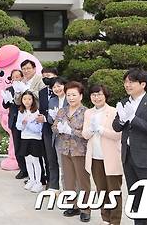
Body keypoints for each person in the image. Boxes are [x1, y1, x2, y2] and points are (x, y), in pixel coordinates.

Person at [112, 68, 147, 225]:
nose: (127, 85)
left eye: (131, 82)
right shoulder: (124, 102)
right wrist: (122, 119)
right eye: (126, 82)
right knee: (136, 200)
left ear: (143, 84)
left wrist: (133, 117)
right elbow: (117, 127)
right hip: (128, 157)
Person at [82, 84, 122, 225]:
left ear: (105, 96)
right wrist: (92, 130)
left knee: (114, 191)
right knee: (101, 190)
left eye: (99, 94)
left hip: (110, 157)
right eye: (93, 95)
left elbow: (118, 135)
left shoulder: (114, 111)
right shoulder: (88, 113)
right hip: (95, 158)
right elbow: (84, 134)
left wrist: (101, 129)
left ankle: (115, 221)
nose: (96, 97)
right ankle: (105, 219)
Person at [52, 80, 91, 222]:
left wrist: (72, 131)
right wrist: (58, 128)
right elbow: (54, 126)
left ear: (81, 96)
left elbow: (87, 132)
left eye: (74, 95)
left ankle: (85, 208)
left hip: (80, 150)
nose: (71, 98)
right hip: (64, 149)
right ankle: (72, 205)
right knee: (68, 179)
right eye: (68, 95)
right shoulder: (62, 110)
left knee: (82, 180)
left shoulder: (86, 112)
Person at [41, 75, 67, 193]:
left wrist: (59, 117)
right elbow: (51, 120)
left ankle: (67, 187)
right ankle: (54, 186)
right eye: (54, 87)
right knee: (53, 160)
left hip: (68, 135)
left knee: (66, 164)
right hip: (55, 135)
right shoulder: (52, 100)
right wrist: (51, 117)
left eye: (59, 86)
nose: (57, 89)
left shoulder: (70, 98)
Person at [16, 90, 45, 193]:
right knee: (27, 160)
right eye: (24, 99)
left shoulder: (37, 112)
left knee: (35, 161)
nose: (27, 101)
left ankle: (38, 182)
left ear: (33, 100)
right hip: (25, 138)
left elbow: (38, 129)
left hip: (35, 139)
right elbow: (18, 126)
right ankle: (31, 180)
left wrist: (27, 124)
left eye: (29, 99)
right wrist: (23, 124)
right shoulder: (21, 112)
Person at [2, 69, 28, 179]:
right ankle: (22, 169)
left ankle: (30, 169)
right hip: (14, 120)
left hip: (26, 121)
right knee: (17, 145)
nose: (16, 79)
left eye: (18, 77)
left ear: (22, 77)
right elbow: (5, 106)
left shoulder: (26, 89)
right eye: (14, 77)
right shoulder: (9, 89)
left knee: (27, 144)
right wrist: (7, 100)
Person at [37, 67, 59, 190]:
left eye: (49, 76)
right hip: (46, 129)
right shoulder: (42, 92)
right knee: (49, 157)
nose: (46, 79)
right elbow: (42, 109)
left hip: (61, 129)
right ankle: (51, 182)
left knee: (60, 158)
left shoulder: (63, 90)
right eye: (44, 76)